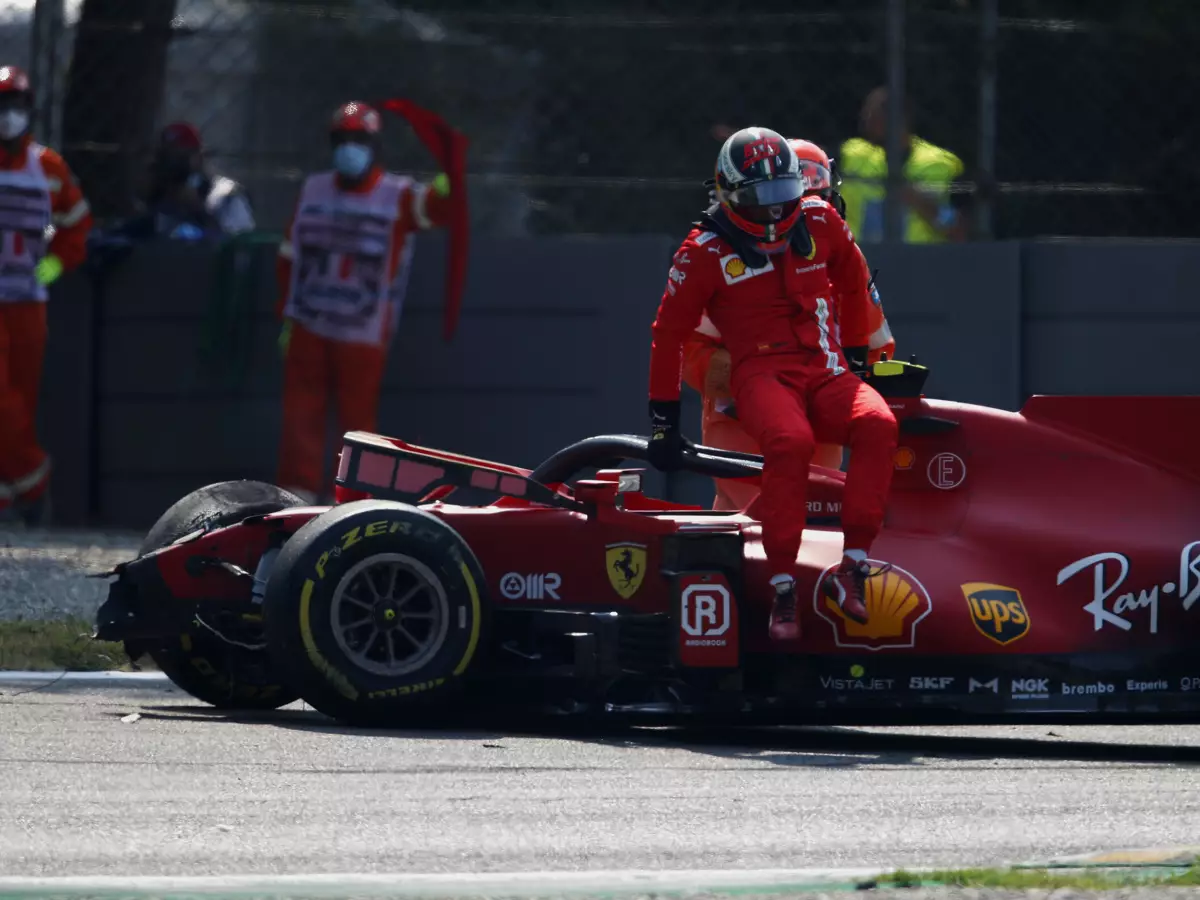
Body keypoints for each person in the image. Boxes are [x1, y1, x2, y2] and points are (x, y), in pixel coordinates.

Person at [646, 126, 898, 642]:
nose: (781, 214)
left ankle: (849, 570)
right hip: (750, 417)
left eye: (802, 197)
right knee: (765, 497)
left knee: (858, 451)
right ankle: (771, 594)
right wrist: (736, 384)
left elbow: (875, 342)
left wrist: (854, 372)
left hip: (821, 396)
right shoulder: (710, 253)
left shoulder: (825, 234)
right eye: (764, 200)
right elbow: (687, 352)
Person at [682, 138, 896, 511]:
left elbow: (878, 352)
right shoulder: (720, 253)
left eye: (815, 202)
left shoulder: (843, 254)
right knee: (752, 528)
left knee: (816, 527)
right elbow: (690, 354)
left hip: (820, 437)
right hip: (744, 431)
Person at [274, 101, 453, 504]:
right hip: (308, 323)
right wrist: (284, 314)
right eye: (342, 139)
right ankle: (296, 494)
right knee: (301, 414)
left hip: (363, 330)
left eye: (358, 140)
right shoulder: (313, 189)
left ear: (374, 145)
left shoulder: (398, 195)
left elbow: (440, 210)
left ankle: (352, 498)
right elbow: (290, 254)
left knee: (357, 423)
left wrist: (451, 177)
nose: (349, 148)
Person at [0, 64, 92, 526]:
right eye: (1, 106)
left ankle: (9, 495)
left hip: (29, 301)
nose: (7, 116)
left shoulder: (49, 168)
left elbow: (77, 227)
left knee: (22, 397)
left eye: (15, 106)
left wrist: (49, 268)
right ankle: (34, 477)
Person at [838, 86, 968, 244]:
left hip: (920, 262)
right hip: (862, 261)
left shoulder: (939, 164)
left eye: (873, 117)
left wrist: (923, 205)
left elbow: (960, 232)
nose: (865, 122)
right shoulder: (852, 154)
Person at [142, 121, 256, 240]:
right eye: (166, 158)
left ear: (199, 156)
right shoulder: (160, 198)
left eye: (181, 158)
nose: (173, 167)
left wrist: (200, 211)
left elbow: (239, 243)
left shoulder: (225, 196)